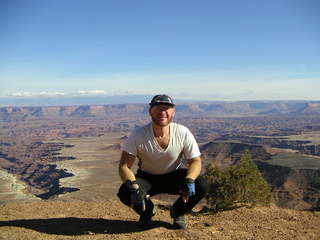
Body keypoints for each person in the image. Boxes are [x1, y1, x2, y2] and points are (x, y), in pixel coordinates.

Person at [117, 94, 208, 229]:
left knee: (201, 185)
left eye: (167, 108)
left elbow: (195, 161)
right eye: (158, 108)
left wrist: (189, 179)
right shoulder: (138, 135)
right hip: (147, 177)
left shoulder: (183, 132)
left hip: (174, 175)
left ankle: (178, 212)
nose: (162, 112)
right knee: (125, 192)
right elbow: (124, 166)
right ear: (150, 111)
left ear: (173, 112)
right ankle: (147, 211)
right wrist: (134, 187)